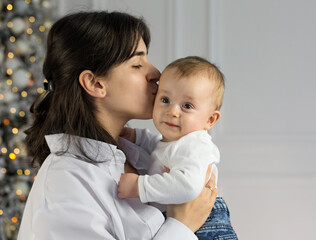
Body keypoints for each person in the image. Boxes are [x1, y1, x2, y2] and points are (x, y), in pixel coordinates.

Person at [18, 11, 217, 240]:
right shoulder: (64, 186)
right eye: (137, 64)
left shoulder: (138, 153)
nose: (156, 73)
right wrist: (182, 225)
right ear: (95, 83)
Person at [118, 56, 238, 240]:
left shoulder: (196, 146)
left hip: (207, 226)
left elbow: (188, 186)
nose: (172, 111)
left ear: (210, 120)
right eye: (165, 100)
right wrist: (137, 136)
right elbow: (161, 147)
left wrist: (139, 186)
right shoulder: (177, 142)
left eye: (187, 106)